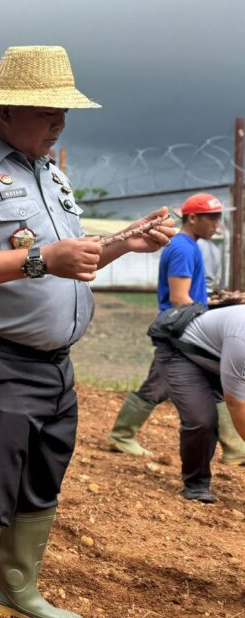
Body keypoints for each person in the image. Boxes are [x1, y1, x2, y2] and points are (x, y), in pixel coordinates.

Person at [0, 46, 174, 618]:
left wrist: (124, 245)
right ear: (4, 110)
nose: (59, 123)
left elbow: (71, 263)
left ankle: (17, 587)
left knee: (42, 483)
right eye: (45, 111)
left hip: (54, 366)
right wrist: (40, 260)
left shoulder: (50, 175)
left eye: (64, 111)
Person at [107, 193, 245, 465]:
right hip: (179, 336)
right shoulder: (183, 248)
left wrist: (217, 302)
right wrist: (213, 318)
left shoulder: (190, 245)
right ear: (193, 218)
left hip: (186, 331)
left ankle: (235, 450)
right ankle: (121, 435)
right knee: (156, 388)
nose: (217, 224)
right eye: (212, 218)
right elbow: (179, 298)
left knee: (217, 386)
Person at [152, 304, 245, 502]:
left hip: (217, 356)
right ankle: (196, 484)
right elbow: (236, 402)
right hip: (181, 352)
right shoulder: (241, 338)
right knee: (202, 419)